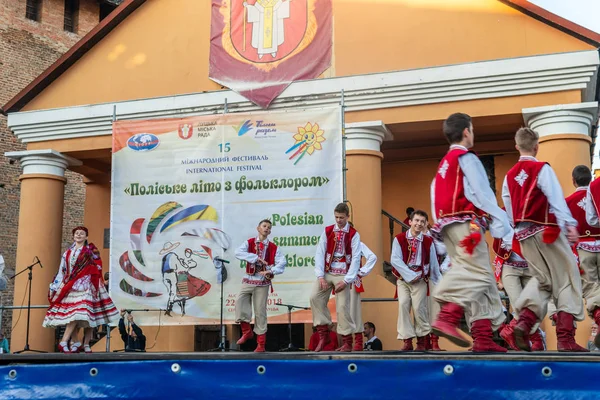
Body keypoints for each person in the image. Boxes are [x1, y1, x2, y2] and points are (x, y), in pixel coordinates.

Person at [502, 127, 589, 352]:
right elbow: (556, 198)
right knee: (567, 278)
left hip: (523, 235)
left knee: (542, 281)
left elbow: (508, 203)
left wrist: (516, 227)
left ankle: (524, 322)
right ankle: (565, 339)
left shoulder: (509, 175)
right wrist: (569, 225)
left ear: (516, 147)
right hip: (546, 231)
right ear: (537, 146)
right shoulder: (542, 169)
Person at [430, 113, 511, 353]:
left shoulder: (444, 162)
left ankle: (483, 338)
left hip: (447, 225)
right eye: (472, 130)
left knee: (481, 280)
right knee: (479, 274)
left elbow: (435, 196)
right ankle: (448, 315)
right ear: (466, 131)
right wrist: (500, 223)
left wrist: (440, 234)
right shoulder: (467, 158)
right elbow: (481, 194)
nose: (472, 134)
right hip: (467, 225)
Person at [43, 226, 119, 353]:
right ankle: (75, 341)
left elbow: (98, 266)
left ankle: (77, 342)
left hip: (88, 285)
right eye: (76, 233)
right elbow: (63, 271)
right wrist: (55, 286)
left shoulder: (90, 250)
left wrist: (93, 280)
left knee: (86, 314)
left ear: (86, 237)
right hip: (71, 286)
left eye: (81, 233)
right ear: (73, 236)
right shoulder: (67, 253)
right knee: (73, 314)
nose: (78, 235)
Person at [310, 202, 361, 352]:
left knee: (342, 307)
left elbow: (356, 258)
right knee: (315, 297)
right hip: (327, 271)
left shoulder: (353, 234)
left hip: (344, 273)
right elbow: (320, 253)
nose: (338, 220)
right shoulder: (328, 231)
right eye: (336, 217)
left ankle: (346, 342)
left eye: (341, 217)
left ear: (347, 216)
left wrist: (346, 281)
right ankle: (324, 333)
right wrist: (320, 276)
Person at [234, 219, 286, 352]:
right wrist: (255, 258)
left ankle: (261, 344)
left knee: (260, 311)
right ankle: (247, 331)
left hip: (262, 282)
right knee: (240, 302)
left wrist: (271, 270)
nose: (266, 229)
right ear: (258, 228)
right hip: (249, 279)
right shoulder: (250, 243)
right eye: (264, 226)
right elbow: (237, 253)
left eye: (269, 227)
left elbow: (282, 263)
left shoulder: (273, 247)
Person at [391, 209, 440, 351]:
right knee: (403, 305)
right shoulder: (399, 239)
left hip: (420, 279)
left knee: (419, 308)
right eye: (416, 220)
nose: (419, 224)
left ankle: (422, 340)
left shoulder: (428, 241)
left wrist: (441, 283)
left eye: (422, 222)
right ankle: (407, 340)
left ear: (425, 224)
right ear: (410, 222)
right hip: (403, 280)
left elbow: (434, 264)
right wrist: (409, 275)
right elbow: (395, 260)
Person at [492, 229, 544, 351]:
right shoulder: (504, 215)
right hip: (510, 267)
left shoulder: (532, 214)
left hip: (531, 266)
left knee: (535, 304)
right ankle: (535, 338)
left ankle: (509, 330)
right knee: (518, 305)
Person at [349, 238, 377, 351]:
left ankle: (358, 341)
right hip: (339, 280)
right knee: (342, 311)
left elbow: (372, 257)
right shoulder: (336, 243)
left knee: (354, 311)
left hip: (352, 281)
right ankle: (347, 341)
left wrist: (361, 272)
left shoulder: (358, 244)